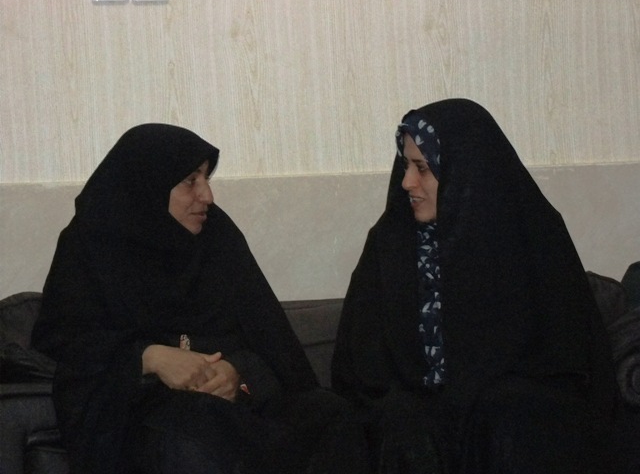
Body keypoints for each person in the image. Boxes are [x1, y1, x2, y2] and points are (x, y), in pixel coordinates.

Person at [32, 124, 366, 474]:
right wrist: (149, 357)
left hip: (237, 406)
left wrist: (237, 373)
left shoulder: (217, 236)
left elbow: (270, 340)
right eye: (190, 181)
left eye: (206, 178)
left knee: (329, 414)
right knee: (192, 437)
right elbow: (62, 343)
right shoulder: (92, 244)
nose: (207, 195)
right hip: (143, 410)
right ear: (149, 185)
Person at [331, 99, 617, 474]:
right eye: (405, 166)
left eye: (422, 168)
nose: (407, 182)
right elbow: (358, 373)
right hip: (416, 427)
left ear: (466, 173)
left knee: (513, 412)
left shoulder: (533, 238)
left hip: (511, 424)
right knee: (404, 422)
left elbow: (572, 365)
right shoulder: (390, 245)